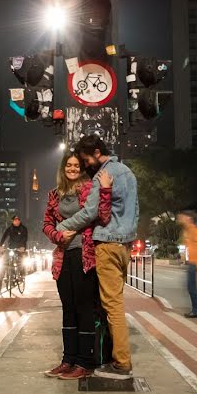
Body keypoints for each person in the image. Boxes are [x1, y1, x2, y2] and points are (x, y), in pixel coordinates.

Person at [55, 135, 139, 380]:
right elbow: (134, 211)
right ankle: (110, 354)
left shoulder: (104, 176)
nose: (85, 163)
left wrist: (62, 228)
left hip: (107, 244)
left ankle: (121, 362)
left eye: (85, 158)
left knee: (111, 305)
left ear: (96, 152)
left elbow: (92, 212)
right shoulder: (128, 173)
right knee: (112, 302)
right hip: (124, 246)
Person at [42, 153, 112, 380]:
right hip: (63, 256)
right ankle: (68, 359)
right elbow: (46, 224)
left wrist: (105, 190)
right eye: (68, 165)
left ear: (81, 169)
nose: (72, 168)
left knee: (84, 308)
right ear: (63, 169)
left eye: (76, 165)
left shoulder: (89, 189)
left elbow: (102, 215)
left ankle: (85, 362)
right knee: (68, 308)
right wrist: (57, 234)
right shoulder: (54, 194)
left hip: (85, 255)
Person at [178, 211, 197, 318]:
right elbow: (187, 248)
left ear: (189, 218)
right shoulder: (188, 231)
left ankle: (196, 310)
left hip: (194, 263)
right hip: (191, 263)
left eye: (183, 217)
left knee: (192, 287)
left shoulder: (196, 231)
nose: (181, 220)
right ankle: (195, 309)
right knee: (190, 287)